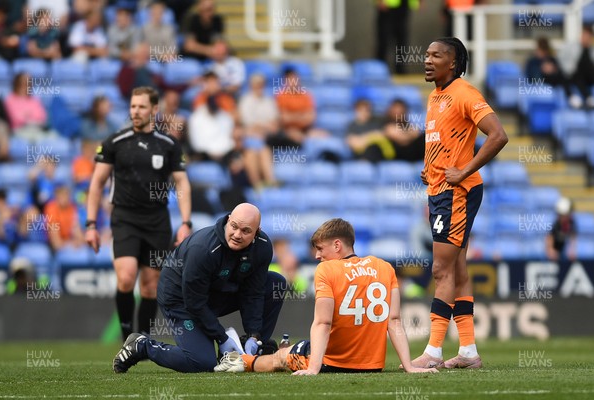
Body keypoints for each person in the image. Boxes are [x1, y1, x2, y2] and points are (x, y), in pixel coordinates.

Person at [214, 218, 438, 374]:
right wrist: (408, 366)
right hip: (372, 364)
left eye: (320, 249)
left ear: (337, 245)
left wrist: (313, 368)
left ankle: (240, 359)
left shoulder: (327, 270)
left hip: (333, 362)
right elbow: (395, 321)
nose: (317, 256)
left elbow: (323, 322)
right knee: (289, 348)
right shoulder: (384, 267)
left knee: (281, 358)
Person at [413, 37, 508, 369]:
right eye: (426, 54)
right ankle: (468, 352)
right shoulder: (436, 95)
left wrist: (463, 171)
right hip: (441, 189)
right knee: (458, 269)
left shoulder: (465, 93)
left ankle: (433, 352)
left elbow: (498, 135)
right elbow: (446, 143)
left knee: (441, 270)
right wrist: (432, 170)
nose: (427, 59)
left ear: (452, 63)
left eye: (436, 55)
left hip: (457, 192)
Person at [111, 203, 286, 373]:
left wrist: (254, 334)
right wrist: (222, 337)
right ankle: (142, 345)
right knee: (202, 362)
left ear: (257, 232)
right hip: (180, 299)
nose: (237, 235)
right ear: (228, 220)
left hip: (218, 292)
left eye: (246, 231)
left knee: (275, 283)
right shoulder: (203, 249)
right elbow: (194, 302)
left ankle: (251, 351)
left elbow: (253, 293)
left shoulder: (262, 247)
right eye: (234, 226)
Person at [85, 86, 193, 342]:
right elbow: (97, 183)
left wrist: (186, 222)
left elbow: (182, 183)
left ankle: (141, 340)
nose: (136, 111)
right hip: (125, 218)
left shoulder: (169, 145)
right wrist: (90, 224)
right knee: (125, 277)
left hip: (157, 221)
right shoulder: (114, 142)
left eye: (142, 106)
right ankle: (126, 338)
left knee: (150, 284)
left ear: (154, 110)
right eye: (133, 106)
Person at [238, 74, 279, 189]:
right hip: (250, 138)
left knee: (264, 151)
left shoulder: (269, 101)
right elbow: (248, 125)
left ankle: (270, 183)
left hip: (265, 138)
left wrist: (259, 127)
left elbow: (274, 125)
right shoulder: (245, 100)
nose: (259, 87)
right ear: (251, 86)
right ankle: (257, 186)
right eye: (256, 85)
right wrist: (264, 126)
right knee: (252, 153)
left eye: (261, 84)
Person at [376, 0, 420, 74]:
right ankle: (378, 70)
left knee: (402, 41)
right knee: (384, 41)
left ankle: (401, 70)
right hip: (387, 7)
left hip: (404, 6)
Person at [558, 25, 594, 109]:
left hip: (590, 76)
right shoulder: (572, 47)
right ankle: (587, 97)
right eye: (585, 36)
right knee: (576, 73)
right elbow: (562, 61)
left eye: (588, 37)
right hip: (575, 75)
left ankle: (586, 98)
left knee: (584, 69)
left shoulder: (593, 51)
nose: (586, 38)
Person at [545, 197, 577, 261]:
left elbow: (573, 237)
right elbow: (549, 237)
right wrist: (550, 250)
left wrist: (572, 250)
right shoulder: (556, 224)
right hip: (555, 253)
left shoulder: (572, 223)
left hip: (563, 251)